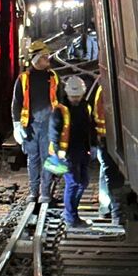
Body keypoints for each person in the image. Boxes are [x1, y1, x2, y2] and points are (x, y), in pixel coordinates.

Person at [12, 40, 62, 203]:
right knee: (33, 158)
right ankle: (34, 192)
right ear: (36, 58)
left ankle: (45, 193)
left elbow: (61, 102)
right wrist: (17, 125)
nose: (48, 59)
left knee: (48, 158)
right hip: (30, 125)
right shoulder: (23, 79)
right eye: (44, 56)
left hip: (49, 125)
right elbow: (16, 103)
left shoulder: (53, 77)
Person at [49, 76, 96, 229]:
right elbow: (54, 133)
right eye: (73, 96)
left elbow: (90, 127)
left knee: (83, 182)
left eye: (78, 96)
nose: (75, 99)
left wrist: (93, 145)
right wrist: (58, 152)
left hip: (81, 150)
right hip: (66, 153)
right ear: (67, 94)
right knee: (73, 183)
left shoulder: (85, 106)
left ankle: (70, 213)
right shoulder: (60, 110)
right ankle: (71, 217)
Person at [87, 78, 122, 225]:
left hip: (105, 139)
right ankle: (114, 213)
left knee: (106, 172)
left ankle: (105, 208)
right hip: (106, 139)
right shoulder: (104, 91)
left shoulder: (101, 89)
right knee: (110, 174)